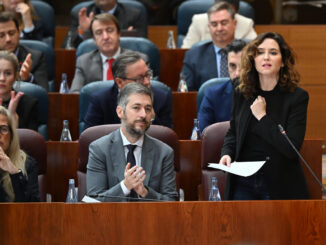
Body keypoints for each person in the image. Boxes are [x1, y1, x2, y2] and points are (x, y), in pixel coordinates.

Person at [219, 32, 310, 200]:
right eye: (260, 52)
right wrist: (227, 152)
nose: (266, 57)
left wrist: (262, 117)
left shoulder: (297, 97)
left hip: (279, 181)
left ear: (282, 62)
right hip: (243, 179)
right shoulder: (242, 91)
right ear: (253, 59)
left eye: (273, 53)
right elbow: (233, 131)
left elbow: (291, 149)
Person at [86, 82, 178, 202]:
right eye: (136, 108)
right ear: (120, 112)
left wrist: (144, 192)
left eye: (148, 109)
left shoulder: (164, 152)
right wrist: (125, 186)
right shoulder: (99, 149)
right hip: (111, 219)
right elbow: (93, 202)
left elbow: (171, 202)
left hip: (151, 219)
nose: (143, 114)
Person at [83, 50, 173, 129]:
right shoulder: (100, 101)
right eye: (139, 79)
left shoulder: (161, 98)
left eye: (147, 75)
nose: (147, 82)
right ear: (119, 82)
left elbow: (166, 138)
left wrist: (150, 116)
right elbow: (89, 138)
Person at [181, 2, 237, 91]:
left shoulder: (247, 52)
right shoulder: (194, 56)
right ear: (209, 27)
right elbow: (186, 93)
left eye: (224, 23)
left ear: (234, 23)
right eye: (214, 24)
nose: (219, 28)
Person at [71, 13, 129, 93]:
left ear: (119, 34)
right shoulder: (84, 62)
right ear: (94, 39)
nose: (105, 37)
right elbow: (75, 94)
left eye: (110, 30)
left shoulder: (137, 61)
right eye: (99, 32)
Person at [198, 39, 247, 132]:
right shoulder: (213, 95)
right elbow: (201, 135)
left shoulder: (263, 94)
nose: (237, 73)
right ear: (227, 66)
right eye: (232, 66)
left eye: (243, 66)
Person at [63, 0, 147, 48]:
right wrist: (83, 31)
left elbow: (144, 47)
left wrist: (126, 40)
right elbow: (67, 48)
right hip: (91, 64)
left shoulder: (134, 14)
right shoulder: (82, 14)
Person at [0, 105, 40, 202]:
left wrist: (14, 173)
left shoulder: (27, 164)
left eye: (3, 129)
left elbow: (32, 208)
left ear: (12, 135)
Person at [0, 12, 48, 91]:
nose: (8, 39)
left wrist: (27, 78)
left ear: (19, 33)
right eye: (1, 35)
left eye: (11, 33)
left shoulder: (35, 58)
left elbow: (43, 93)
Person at [181, 0, 257, 49]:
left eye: (224, 21)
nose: (219, 28)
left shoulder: (245, 23)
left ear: (235, 15)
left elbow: (256, 51)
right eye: (214, 24)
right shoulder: (199, 21)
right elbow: (186, 52)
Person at [0, 50, 38, 131]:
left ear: (15, 77)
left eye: (8, 73)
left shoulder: (29, 104)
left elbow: (32, 142)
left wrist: (14, 126)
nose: (2, 78)